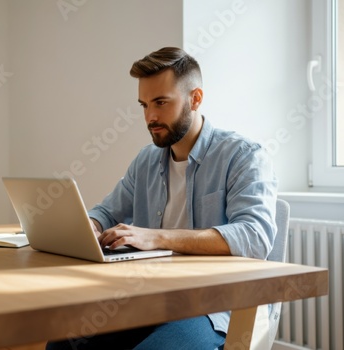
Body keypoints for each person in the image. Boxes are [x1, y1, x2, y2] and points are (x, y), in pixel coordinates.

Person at [46, 47, 278, 350]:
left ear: (195, 99)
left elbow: (255, 236)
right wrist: (89, 225)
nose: (150, 117)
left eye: (161, 103)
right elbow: (106, 210)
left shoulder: (243, 155)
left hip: (211, 306)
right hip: (148, 301)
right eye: (144, 105)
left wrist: (157, 237)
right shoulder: (147, 160)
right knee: (64, 342)